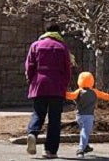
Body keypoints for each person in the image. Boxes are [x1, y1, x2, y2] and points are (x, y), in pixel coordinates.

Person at [25, 22, 73, 159]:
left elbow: (29, 66)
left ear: (45, 31)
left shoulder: (35, 45)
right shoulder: (62, 47)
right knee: (54, 119)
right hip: (56, 86)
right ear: (58, 32)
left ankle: (32, 133)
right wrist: (65, 84)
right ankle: (50, 150)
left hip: (39, 84)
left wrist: (31, 80)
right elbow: (67, 69)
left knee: (38, 113)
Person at [65, 71, 109, 157]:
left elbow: (70, 95)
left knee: (83, 131)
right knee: (85, 132)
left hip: (79, 116)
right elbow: (104, 95)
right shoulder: (94, 91)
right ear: (91, 80)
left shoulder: (78, 91)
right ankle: (80, 149)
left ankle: (86, 146)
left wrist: (63, 92)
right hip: (89, 116)